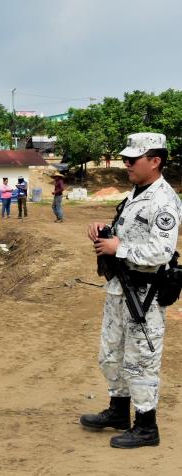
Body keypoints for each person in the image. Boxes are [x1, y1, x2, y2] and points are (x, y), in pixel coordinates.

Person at [80, 132, 181, 448]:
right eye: (125, 158)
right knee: (112, 353)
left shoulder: (163, 200)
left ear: (155, 161)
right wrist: (104, 231)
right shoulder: (137, 193)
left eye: (132, 160)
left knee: (141, 359)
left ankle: (147, 426)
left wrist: (118, 247)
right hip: (120, 289)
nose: (126, 164)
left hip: (144, 295)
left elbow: (162, 251)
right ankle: (118, 411)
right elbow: (127, 234)